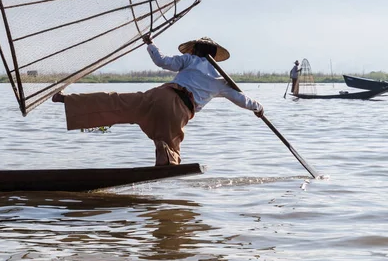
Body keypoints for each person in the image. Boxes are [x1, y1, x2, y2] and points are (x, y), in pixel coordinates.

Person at [51, 35, 264, 166]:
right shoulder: (220, 81)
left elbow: (161, 61)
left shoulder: (188, 60)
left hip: (159, 95)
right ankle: (166, 177)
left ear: (197, 51)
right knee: (168, 148)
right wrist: (258, 108)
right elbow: (242, 100)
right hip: (178, 108)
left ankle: (67, 100)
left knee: (117, 102)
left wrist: (150, 43)